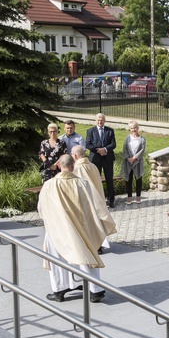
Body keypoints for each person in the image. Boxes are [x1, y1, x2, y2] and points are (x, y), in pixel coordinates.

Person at [38, 155, 116, 303]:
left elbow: (41, 208)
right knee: (86, 255)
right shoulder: (83, 184)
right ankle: (96, 291)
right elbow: (92, 206)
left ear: (59, 166)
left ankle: (60, 289)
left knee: (56, 257)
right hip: (81, 226)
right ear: (73, 166)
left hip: (57, 228)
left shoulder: (49, 185)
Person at [71, 145, 114, 253]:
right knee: (96, 221)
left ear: (75, 156)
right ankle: (97, 244)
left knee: (89, 223)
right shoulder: (92, 165)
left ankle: (93, 246)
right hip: (96, 197)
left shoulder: (78, 168)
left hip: (86, 199)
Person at [85, 113, 116, 208]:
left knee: (109, 179)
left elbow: (113, 144)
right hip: (95, 159)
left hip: (108, 158)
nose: (100, 122)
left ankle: (111, 200)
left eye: (101, 120)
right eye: (98, 120)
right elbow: (88, 144)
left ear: (104, 121)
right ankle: (97, 201)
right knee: (95, 180)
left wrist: (105, 149)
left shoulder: (110, 131)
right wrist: (99, 150)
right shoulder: (90, 131)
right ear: (95, 121)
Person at [119, 120, 146, 205]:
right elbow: (124, 149)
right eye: (131, 128)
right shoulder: (127, 138)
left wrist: (134, 158)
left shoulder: (142, 139)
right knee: (128, 180)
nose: (133, 130)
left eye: (135, 128)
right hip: (128, 162)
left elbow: (142, 150)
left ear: (137, 128)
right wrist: (128, 158)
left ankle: (138, 197)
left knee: (138, 179)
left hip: (137, 162)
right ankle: (129, 198)